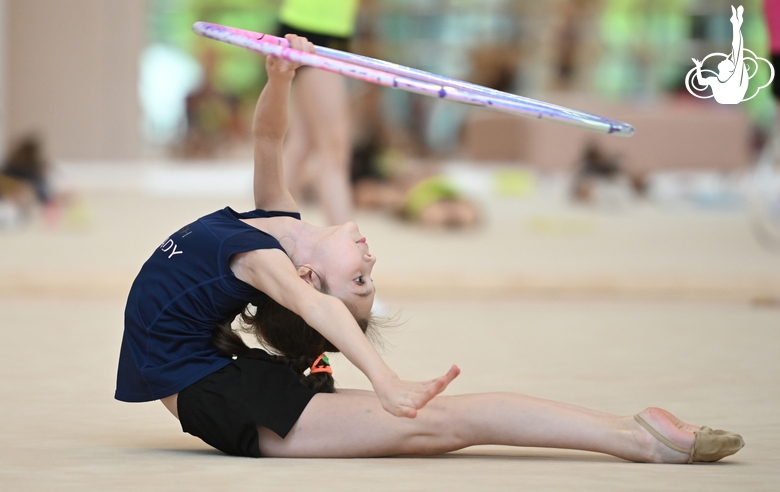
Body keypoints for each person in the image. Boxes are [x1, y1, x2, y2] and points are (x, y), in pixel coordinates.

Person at [115, 35, 745, 463]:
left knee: (442, 422)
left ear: (309, 276)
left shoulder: (270, 247)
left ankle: (638, 437)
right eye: (367, 280)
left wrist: (384, 381)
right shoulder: (271, 238)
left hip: (214, 389)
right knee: (443, 424)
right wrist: (282, 75)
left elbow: (321, 301)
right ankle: (638, 437)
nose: (371, 261)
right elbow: (272, 147)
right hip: (215, 391)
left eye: (360, 279)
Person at [276, 0, 360, 225]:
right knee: (334, 148)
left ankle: (267, 231)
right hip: (314, 27)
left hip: (326, 25)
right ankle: (344, 244)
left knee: (302, 144)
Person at [692, 6, 748, 105]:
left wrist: (736, 25)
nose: (725, 59)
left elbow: (737, 47)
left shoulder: (733, 78)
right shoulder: (716, 80)